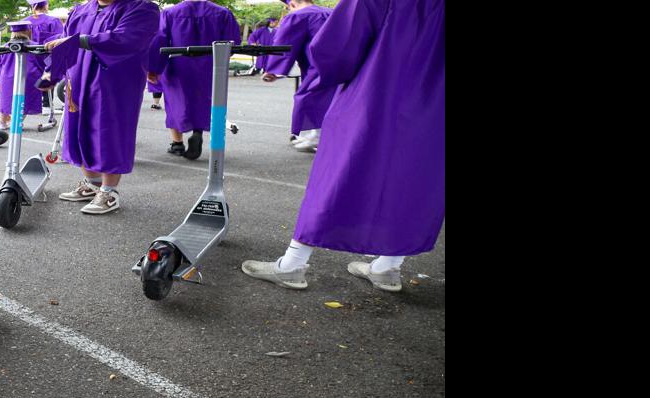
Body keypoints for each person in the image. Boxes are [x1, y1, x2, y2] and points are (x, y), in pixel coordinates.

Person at [241, 0, 443, 293]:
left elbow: (336, 48)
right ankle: (387, 268)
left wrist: (330, 77)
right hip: (436, 108)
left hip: (376, 95)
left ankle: (292, 265)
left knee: (337, 173)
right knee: (420, 182)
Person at [44, 0, 159, 216]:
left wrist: (82, 40)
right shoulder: (80, 10)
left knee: (109, 130)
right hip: (78, 78)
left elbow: (127, 40)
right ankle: (92, 183)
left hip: (114, 81)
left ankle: (109, 191)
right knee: (80, 128)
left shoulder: (142, 8)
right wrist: (50, 72)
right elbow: (66, 43)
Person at [146, 0, 238, 159]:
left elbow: (159, 40)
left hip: (178, 64)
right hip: (210, 65)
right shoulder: (222, 13)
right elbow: (231, 42)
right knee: (204, 100)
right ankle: (197, 131)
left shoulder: (170, 13)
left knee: (175, 102)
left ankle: (177, 144)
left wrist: (153, 68)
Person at [263, 0, 330, 152]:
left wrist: (274, 70)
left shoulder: (298, 16)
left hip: (317, 64)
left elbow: (285, 43)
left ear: (292, 4)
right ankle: (321, 135)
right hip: (341, 64)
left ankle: (317, 136)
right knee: (334, 99)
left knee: (308, 97)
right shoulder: (330, 13)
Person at [0, 20, 43, 132]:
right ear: (28, 31)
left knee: (5, 99)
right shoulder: (35, 46)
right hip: (30, 76)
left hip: (7, 77)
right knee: (27, 99)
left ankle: (2, 123)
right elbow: (42, 62)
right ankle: (18, 120)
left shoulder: (4, 47)